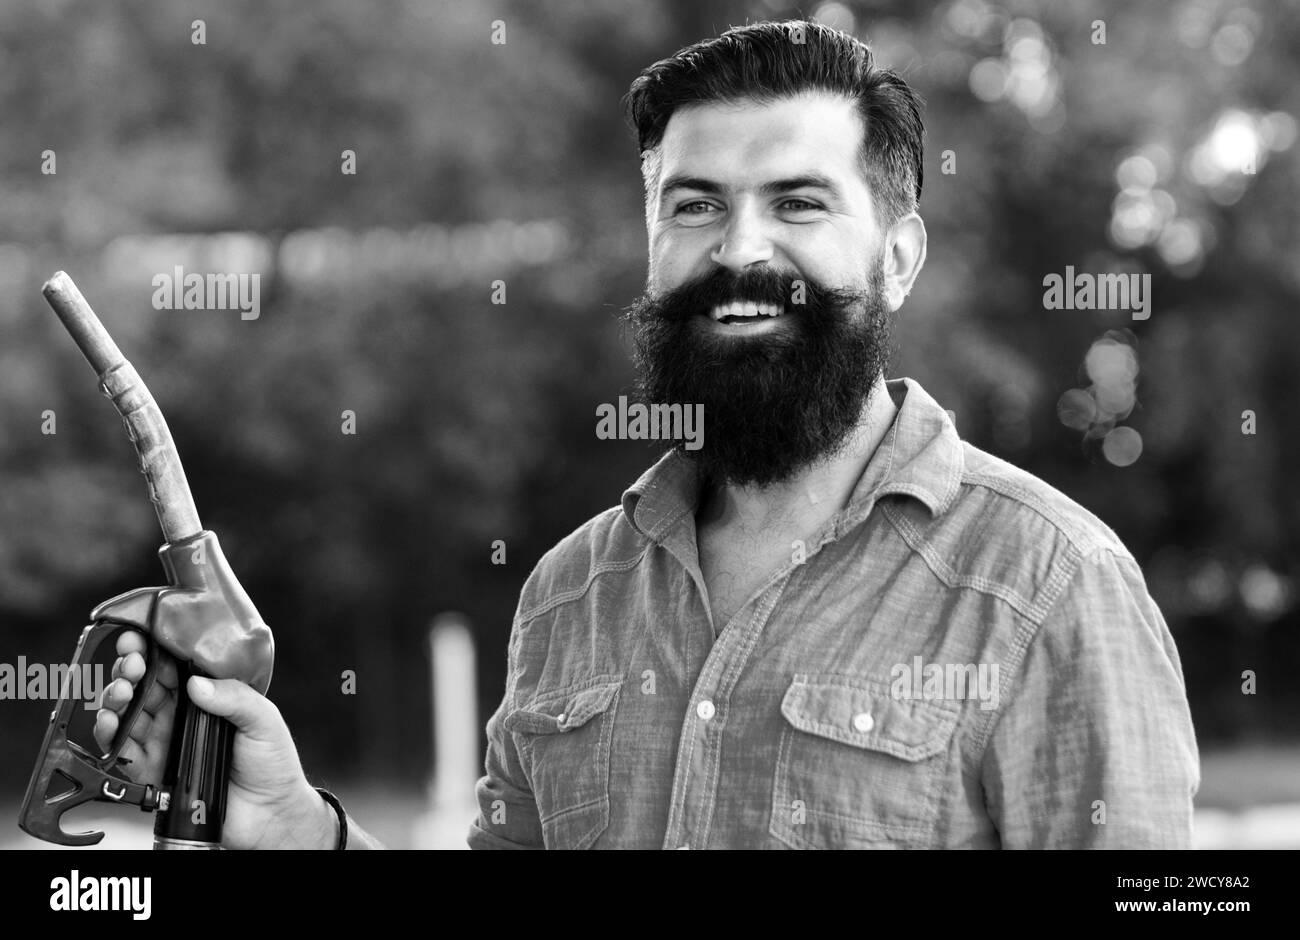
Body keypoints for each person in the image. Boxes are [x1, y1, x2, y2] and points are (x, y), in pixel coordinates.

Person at [96, 19, 1200, 850]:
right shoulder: (573, 593)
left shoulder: (1049, 584)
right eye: (694, 205)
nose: (739, 251)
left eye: (800, 204)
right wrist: (295, 823)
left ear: (898, 257)